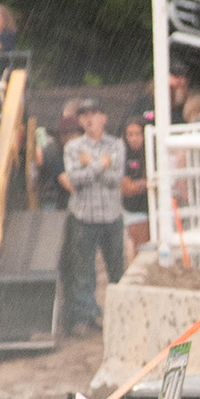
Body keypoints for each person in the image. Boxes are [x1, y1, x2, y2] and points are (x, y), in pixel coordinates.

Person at [58, 101, 125, 334]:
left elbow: (116, 178)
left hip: (111, 215)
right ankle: (84, 317)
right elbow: (74, 180)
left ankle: (121, 317)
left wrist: (91, 165)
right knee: (83, 269)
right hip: (84, 216)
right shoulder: (73, 147)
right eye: (84, 115)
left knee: (116, 268)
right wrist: (101, 166)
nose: (89, 119)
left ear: (103, 118)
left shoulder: (117, 144)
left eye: (93, 114)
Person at [121, 120, 149, 252]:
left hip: (153, 207)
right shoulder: (124, 155)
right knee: (139, 250)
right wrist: (144, 184)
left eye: (137, 134)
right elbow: (126, 188)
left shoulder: (152, 152)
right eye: (129, 135)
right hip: (134, 209)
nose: (133, 139)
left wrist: (138, 185)